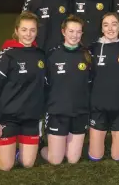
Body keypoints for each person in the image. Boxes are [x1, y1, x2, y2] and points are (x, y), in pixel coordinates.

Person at [0, 12, 45, 171]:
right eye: (24, 30)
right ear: (16, 31)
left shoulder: (40, 55)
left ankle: (17, 151)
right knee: (6, 166)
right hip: (8, 118)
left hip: (30, 119)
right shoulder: (6, 55)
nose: (28, 34)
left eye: (32, 30)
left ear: (37, 31)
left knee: (27, 164)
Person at [39, 15, 91, 165]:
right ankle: (41, 146)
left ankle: (62, 142)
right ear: (63, 32)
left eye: (78, 32)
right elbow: (44, 84)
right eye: (71, 31)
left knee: (73, 159)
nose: (75, 35)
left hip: (79, 112)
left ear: (82, 33)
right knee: (56, 160)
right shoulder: (52, 54)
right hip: (57, 112)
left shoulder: (87, 55)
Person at [87, 13, 119, 162]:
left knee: (117, 157)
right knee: (95, 156)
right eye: (106, 25)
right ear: (101, 28)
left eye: (114, 24)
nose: (110, 28)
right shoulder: (92, 49)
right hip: (98, 107)